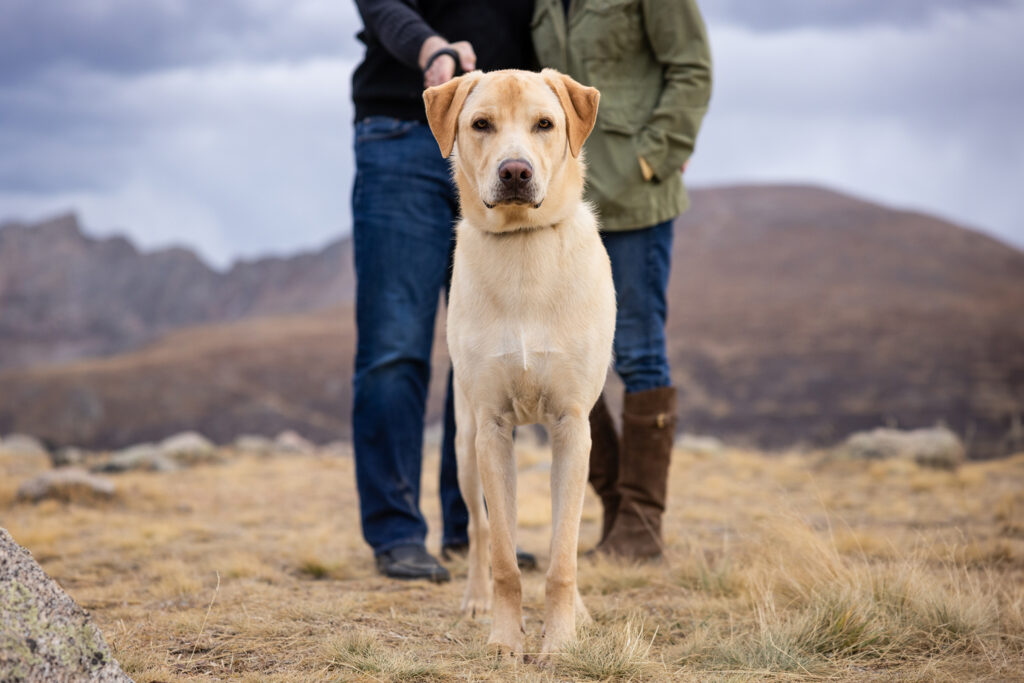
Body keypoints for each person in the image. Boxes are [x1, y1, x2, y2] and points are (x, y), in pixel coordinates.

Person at [350, 0, 536, 582]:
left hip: (509, 146)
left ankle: (476, 529)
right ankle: (397, 532)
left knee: (488, 347)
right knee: (394, 343)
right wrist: (431, 49)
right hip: (403, 130)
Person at [531, 0, 713, 559]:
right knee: (562, 357)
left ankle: (642, 524)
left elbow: (692, 67)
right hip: (565, 208)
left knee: (637, 352)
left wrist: (654, 157)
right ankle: (617, 510)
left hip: (635, 202)